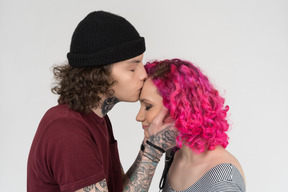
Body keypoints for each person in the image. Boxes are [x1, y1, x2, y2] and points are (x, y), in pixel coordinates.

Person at [27, 11, 176, 192]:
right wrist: (153, 152)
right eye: (132, 67)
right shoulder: (68, 131)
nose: (143, 74)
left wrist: (149, 147)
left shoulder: (97, 119)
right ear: (100, 74)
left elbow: (118, 188)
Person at [136, 59, 246, 192]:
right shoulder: (175, 152)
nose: (139, 117)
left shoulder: (223, 180)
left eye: (148, 106)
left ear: (177, 107)